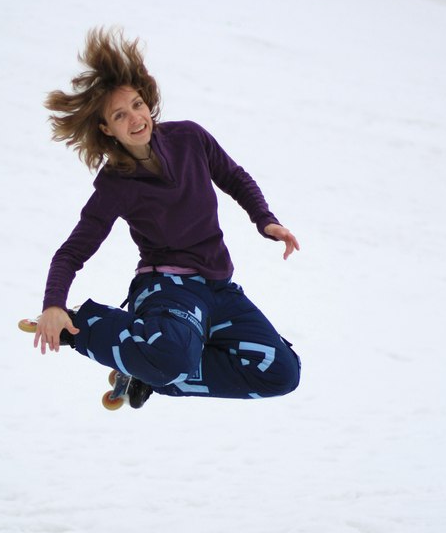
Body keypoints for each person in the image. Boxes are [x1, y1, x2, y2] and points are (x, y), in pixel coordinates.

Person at [32, 27, 301, 405]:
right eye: (120, 115)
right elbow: (72, 252)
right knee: (173, 356)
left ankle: (148, 365)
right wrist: (54, 305)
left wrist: (265, 220)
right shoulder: (115, 184)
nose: (135, 118)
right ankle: (86, 328)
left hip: (218, 289)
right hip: (167, 291)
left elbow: (234, 177)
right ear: (107, 129)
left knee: (280, 373)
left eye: (138, 105)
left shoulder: (190, 138)